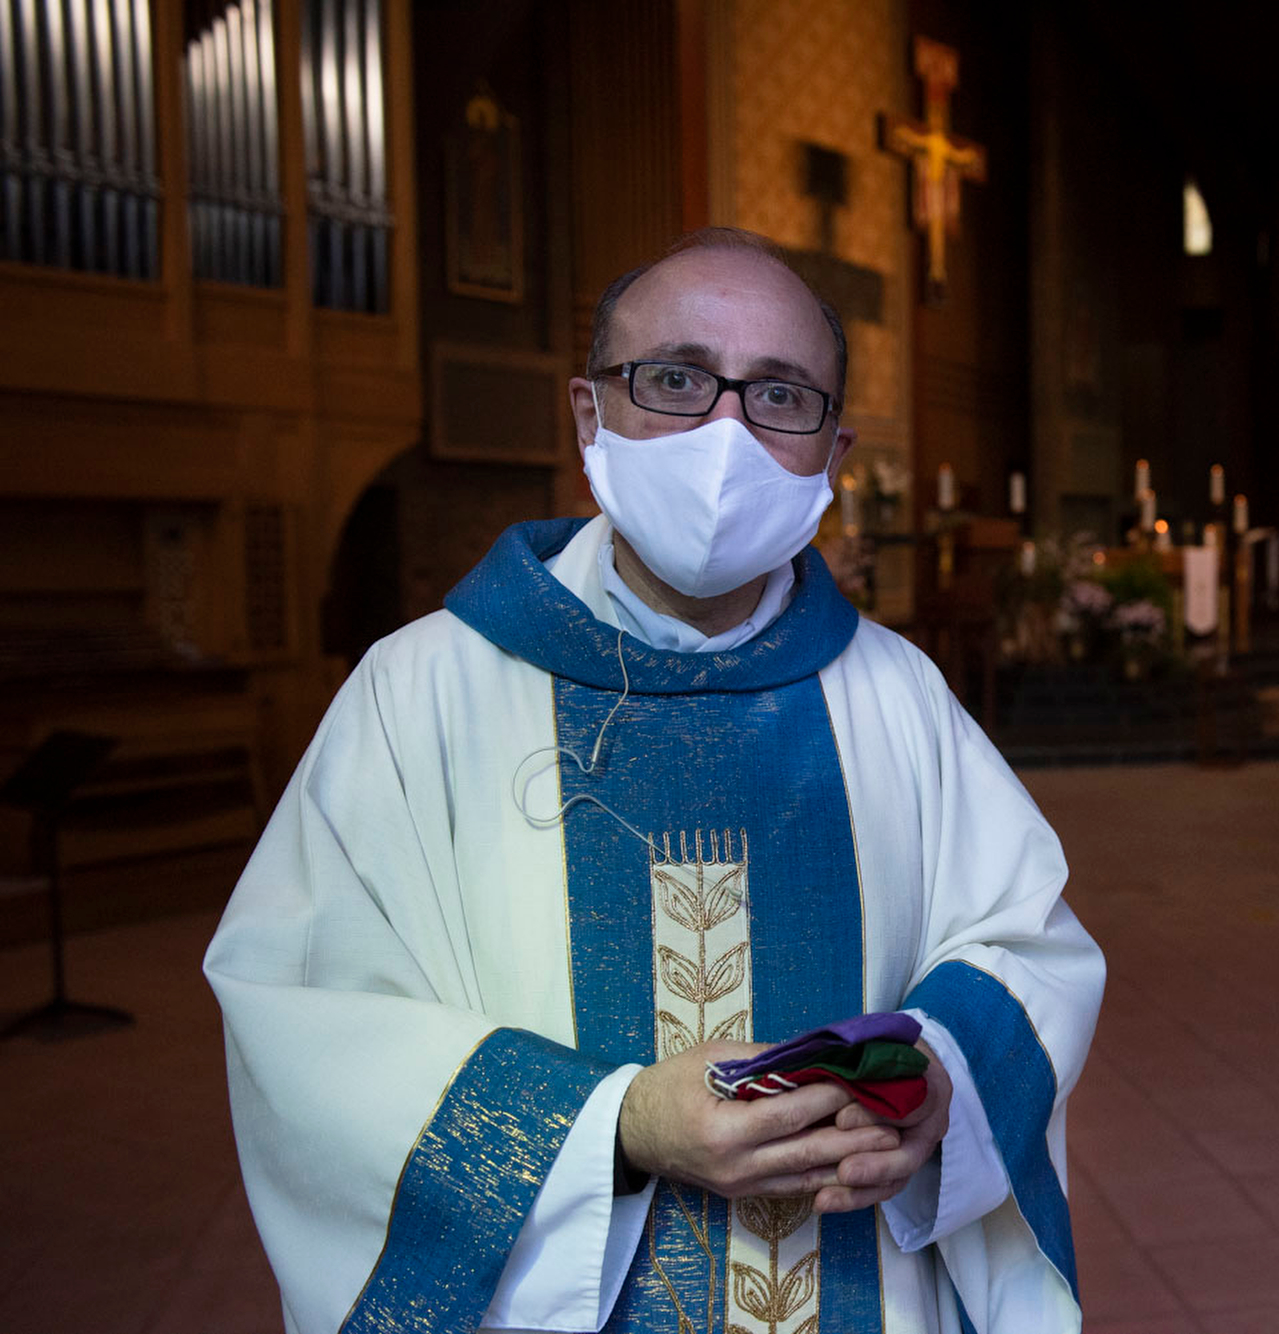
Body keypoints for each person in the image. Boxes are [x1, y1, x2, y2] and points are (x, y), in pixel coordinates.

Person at [204, 227, 1104, 1334]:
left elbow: (1026, 944)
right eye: (676, 378)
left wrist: (943, 1092)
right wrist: (615, 1121)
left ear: (834, 449)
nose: (722, 431)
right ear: (590, 414)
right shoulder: (421, 692)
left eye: (780, 395)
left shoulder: (897, 695)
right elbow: (309, 1013)